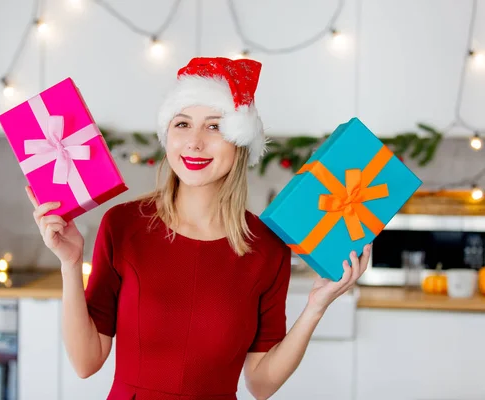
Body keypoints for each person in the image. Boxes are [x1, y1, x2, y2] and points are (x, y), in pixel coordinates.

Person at [26, 57, 370, 400]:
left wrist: (316, 307)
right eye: (182, 124)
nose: (194, 142)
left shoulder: (268, 247)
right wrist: (70, 265)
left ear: (240, 142)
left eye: (215, 126)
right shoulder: (123, 225)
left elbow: (262, 384)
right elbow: (86, 362)